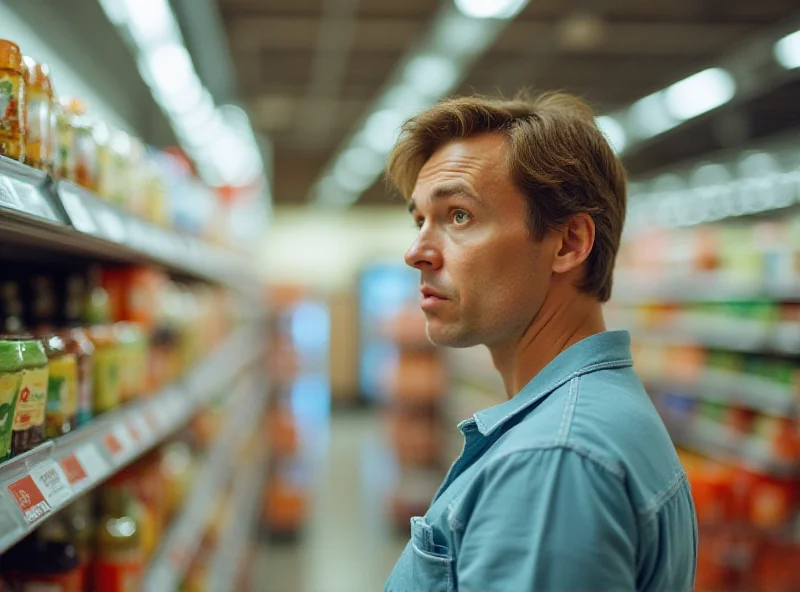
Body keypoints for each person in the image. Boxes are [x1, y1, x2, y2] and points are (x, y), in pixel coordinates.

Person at [383, 92, 698, 592]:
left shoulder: (552, 462)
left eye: (458, 216)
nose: (416, 251)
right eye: (420, 219)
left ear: (569, 243)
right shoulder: (595, 414)